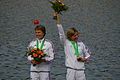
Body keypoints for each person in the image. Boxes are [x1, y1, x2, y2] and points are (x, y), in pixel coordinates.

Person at [55, 14, 91, 80]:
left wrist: (84, 59)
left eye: (77, 35)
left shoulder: (81, 44)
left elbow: (88, 55)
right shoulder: (66, 43)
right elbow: (61, 33)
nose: (76, 37)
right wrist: (58, 20)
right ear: (69, 36)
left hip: (81, 71)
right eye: (74, 35)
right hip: (71, 70)